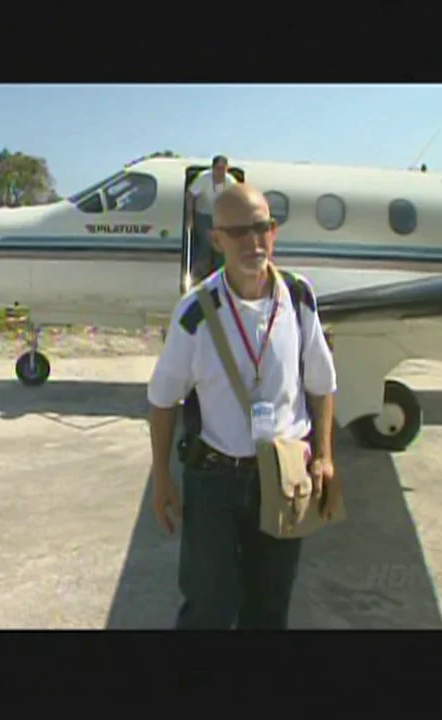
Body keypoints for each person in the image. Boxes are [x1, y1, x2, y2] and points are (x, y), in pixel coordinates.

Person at [146, 183, 341, 630]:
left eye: (262, 228)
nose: (253, 243)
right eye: (238, 232)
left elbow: (321, 383)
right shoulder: (196, 313)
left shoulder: (298, 297)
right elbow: (162, 401)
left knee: (269, 606)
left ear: (273, 231)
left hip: (284, 474)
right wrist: (162, 479)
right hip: (215, 479)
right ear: (217, 240)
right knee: (209, 607)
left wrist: (326, 455)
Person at [185, 155, 238, 281]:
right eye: (218, 168)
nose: (221, 172)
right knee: (205, 244)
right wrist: (189, 217)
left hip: (220, 216)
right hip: (203, 214)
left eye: (224, 169)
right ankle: (198, 277)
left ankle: (218, 278)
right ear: (213, 168)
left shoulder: (230, 181)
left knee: (221, 247)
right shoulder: (204, 178)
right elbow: (190, 195)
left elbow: (237, 198)